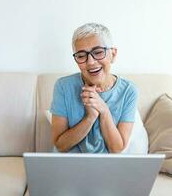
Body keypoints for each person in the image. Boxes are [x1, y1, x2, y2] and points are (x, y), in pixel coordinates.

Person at [50, 23, 138, 153]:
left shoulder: (129, 91)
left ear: (113, 54)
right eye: (81, 56)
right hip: (69, 164)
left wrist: (104, 110)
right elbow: (61, 146)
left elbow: (116, 149)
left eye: (98, 52)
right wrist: (90, 117)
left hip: (106, 167)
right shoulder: (63, 86)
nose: (90, 62)